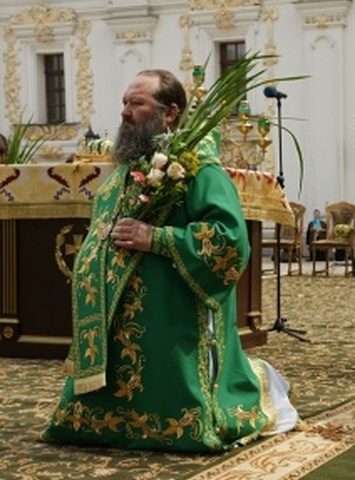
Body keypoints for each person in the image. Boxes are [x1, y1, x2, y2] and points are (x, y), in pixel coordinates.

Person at [41, 69, 298, 452]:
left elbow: (229, 242)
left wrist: (158, 238)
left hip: (173, 304)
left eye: (137, 103)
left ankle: (238, 385)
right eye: (125, 103)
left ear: (171, 112)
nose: (126, 112)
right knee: (81, 424)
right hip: (115, 316)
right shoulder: (122, 175)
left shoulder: (199, 171)